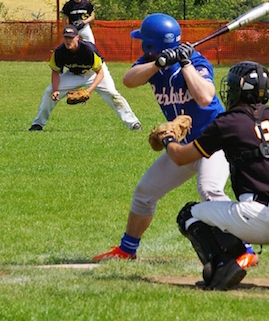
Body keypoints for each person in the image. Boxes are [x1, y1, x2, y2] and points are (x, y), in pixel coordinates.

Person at [92, 14, 259, 269]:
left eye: (143, 42)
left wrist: (185, 63)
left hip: (214, 142)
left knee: (209, 191)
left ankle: (245, 249)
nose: (140, 46)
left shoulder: (197, 62)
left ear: (150, 44)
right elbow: (128, 80)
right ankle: (127, 250)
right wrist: (160, 63)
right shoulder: (150, 62)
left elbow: (205, 97)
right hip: (183, 147)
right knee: (145, 193)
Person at [161, 61, 269, 290]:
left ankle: (223, 265)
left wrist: (168, 139)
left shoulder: (227, 122)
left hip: (256, 215)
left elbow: (180, 158)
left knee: (188, 215)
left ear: (237, 90)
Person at [29, 25, 141, 131]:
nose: (68, 41)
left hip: (94, 73)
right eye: (66, 38)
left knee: (112, 94)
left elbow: (100, 73)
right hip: (73, 74)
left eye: (71, 38)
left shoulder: (88, 50)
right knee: (49, 92)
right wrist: (56, 89)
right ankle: (38, 124)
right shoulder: (59, 52)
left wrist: (88, 91)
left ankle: (133, 123)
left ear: (77, 37)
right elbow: (55, 71)